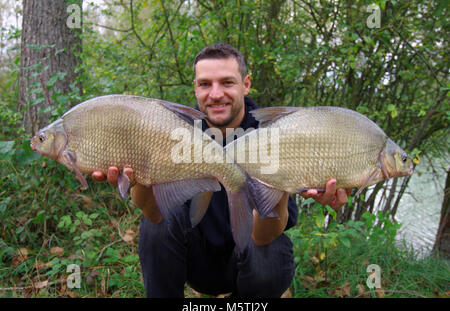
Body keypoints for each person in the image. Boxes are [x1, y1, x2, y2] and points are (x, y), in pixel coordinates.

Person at [92, 43, 350, 297]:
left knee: (270, 252)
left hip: (249, 258)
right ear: (195, 88)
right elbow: (154, 213)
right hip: (196, 258)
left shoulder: (274, 133)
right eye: (205, 84)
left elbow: (264, 237)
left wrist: (283, 184)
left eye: (227, 82)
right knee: (154, 226)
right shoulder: (171, 130)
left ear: (245, 84)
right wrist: (138, 175)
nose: (215, 94)